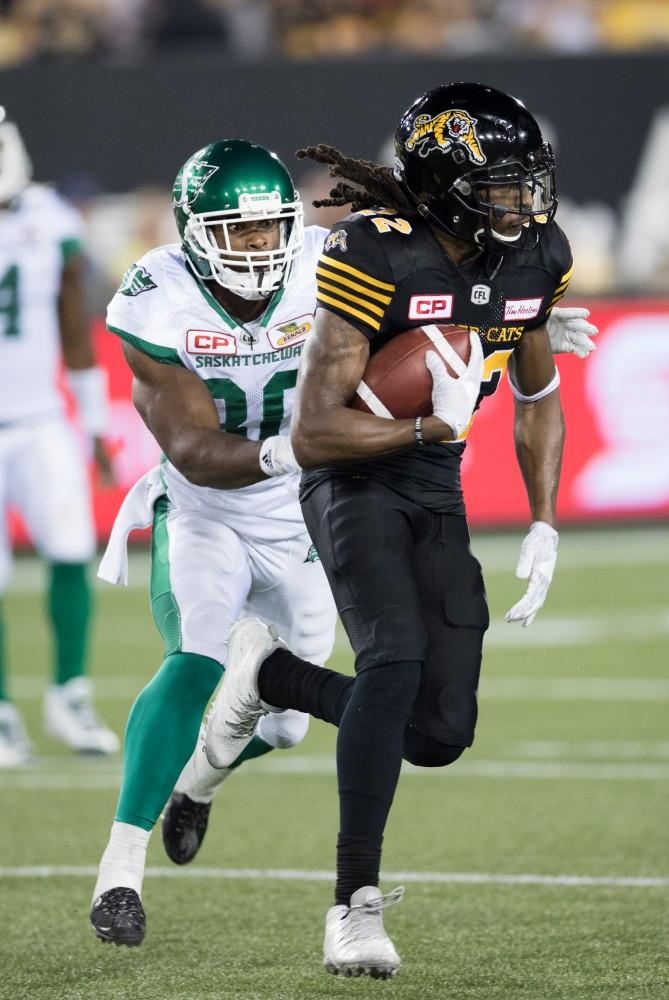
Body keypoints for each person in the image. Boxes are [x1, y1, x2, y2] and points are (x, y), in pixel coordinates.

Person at [204, 83, 587, 979]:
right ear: (447, 183)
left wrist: (543, 522)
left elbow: (535, 395)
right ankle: (353, 904)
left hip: (435, 481)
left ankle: (270, 674)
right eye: (498, 185)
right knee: (394, 656)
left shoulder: (538, 255)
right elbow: (312, 433)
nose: (521, 203)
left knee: (439, 732)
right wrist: (424, 427)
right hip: (353, 474)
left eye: (527, 183)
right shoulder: (373, 253)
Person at [89, 139, 337, 945]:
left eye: (271, 229)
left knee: (283, 724)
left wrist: (522, 317)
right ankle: (118, 874)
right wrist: (302, 448)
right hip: (205, 507)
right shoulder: (155, 295)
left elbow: (435, 307)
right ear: (195, 230)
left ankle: (194, 784)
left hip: (301, 513)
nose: (261, 248)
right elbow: (194, 450)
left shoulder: (328, 265)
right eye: (241, 230)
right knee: (197, 657)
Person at [0, 111, 117, 766]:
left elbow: (76, 326)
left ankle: (69, 695)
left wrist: (96, 425)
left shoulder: (51, 220)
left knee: (71, 550)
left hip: (41, 416)